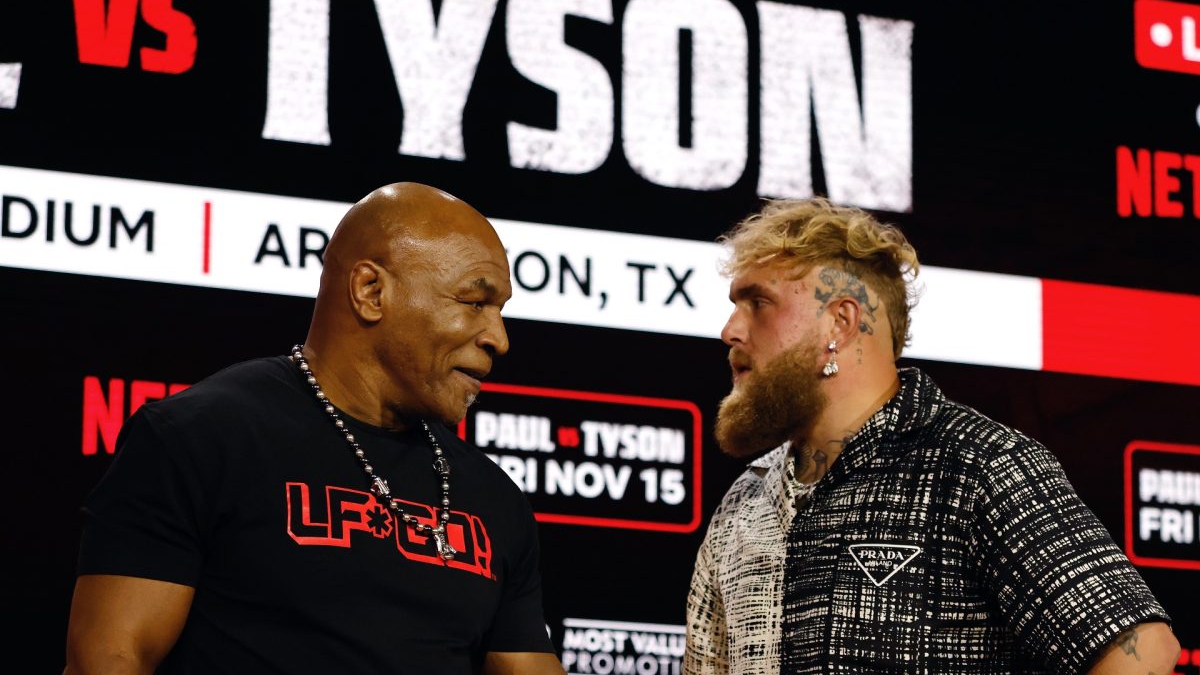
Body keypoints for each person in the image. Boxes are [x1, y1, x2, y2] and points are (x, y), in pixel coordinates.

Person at [64, 182, 567, 675]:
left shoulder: (493, 497)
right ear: (371, 291)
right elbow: (109, 658)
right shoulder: (200, 437)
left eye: (500, 310)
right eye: (475, 303)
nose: (499, 338)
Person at [684, 197, 1180, 674]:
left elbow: (1144, 653)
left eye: (758, 303)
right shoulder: (741, 505)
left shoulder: (980, 465)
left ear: (840, 322)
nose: (730, 330)